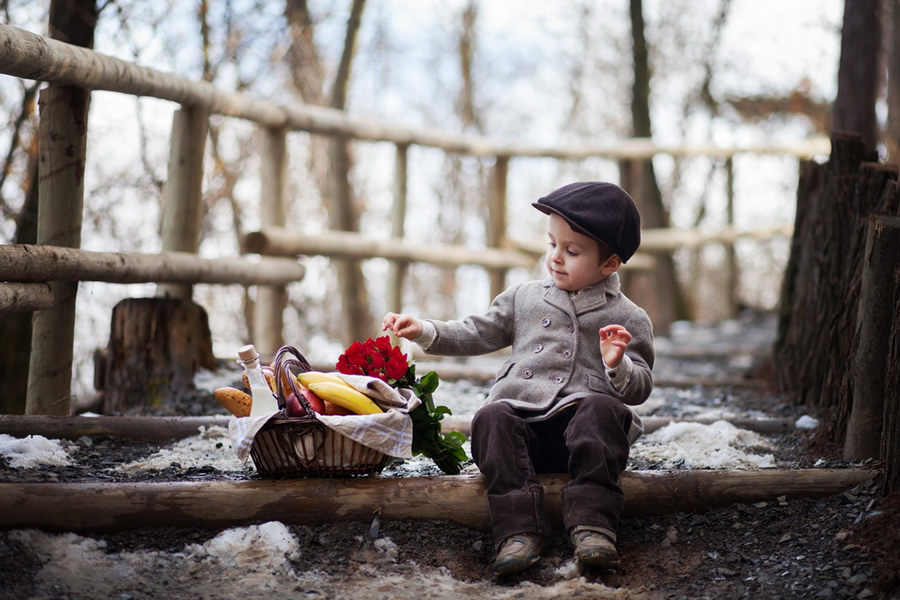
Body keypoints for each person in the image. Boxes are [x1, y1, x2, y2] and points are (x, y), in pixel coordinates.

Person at [382, 181, 654, 576]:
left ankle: (594, 526)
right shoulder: (524, 297)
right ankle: (518, 531)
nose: (556, 258)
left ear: (610, 264)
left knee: (602, 410)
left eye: (572, 251)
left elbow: (640, 388)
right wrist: (425, 329)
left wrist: (618, 365)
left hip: (584, 435)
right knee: (490, 417)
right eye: (552, 245)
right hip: (524, 431)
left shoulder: (629, 317)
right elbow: (477, 332)